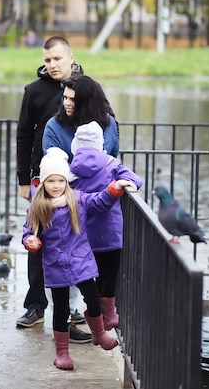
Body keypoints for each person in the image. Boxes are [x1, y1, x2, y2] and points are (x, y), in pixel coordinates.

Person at [22, 148, 137, 370]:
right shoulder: (38, 207)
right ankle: (62, 353)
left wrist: (115, 188)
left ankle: (99, 333)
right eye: (51, 181)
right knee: (62, 310)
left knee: (93, 300)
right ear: (44, 183)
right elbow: (28, 232)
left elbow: (100, 201)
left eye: (60, 181)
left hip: (81, 260)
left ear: (66, 181)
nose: (56, 186)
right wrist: (31, 242)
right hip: (56, 265)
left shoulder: (78, 199)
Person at [15, 36, 88, 341]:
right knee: (37, 240)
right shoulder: (34, 91)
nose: (52, 65)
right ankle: (35, 306)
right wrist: (23, 179)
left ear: (71, 57)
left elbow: (105, 123)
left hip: (79, 180)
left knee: (76, 242)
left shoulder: (85, 87)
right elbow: (22, 135)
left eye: (57, 58)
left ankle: (73, 309)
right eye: (47, 60)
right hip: (42, 180)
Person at [69, 121, 143, 330]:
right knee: (109, 272)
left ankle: (94, 313)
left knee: (90, 272)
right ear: (100, 142)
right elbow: (135, 180)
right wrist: (127, 183)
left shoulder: (72, 168)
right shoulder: (111, 164)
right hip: (109, 231)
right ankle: (108, 313)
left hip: (83, 231)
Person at [42, 74, 119, 162]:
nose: (66, 103)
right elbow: (54, 165)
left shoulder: (109, 123)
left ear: (87, 102)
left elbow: (114, 159)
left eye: (72, 99)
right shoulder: (53, 127)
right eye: (65, 98)